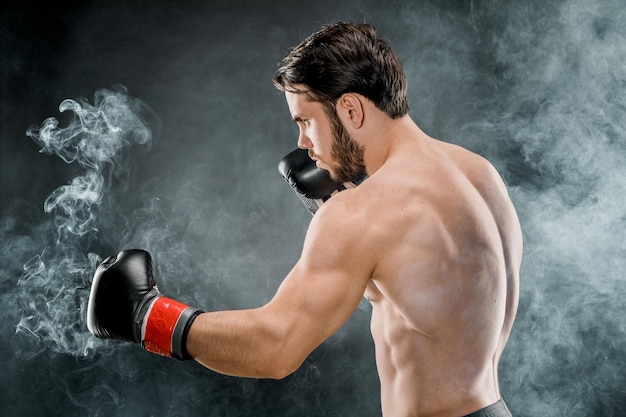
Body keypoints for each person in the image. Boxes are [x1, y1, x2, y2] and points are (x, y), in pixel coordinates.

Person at [87, 22, 522, 417]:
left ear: (351, 110)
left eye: (307, 122)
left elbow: (275, 347)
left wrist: (147, 316)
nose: (302, 142)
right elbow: (439, 302)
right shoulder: (479, 174)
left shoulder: (362, 213)